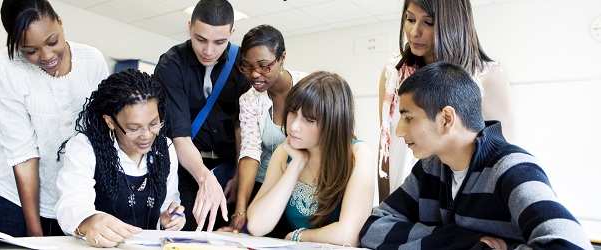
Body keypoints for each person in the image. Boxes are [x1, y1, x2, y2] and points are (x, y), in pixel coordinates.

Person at [360, 62, 592, 250]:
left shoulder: (514, 169)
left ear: (446, 119)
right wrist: (462, 241)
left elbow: (571, 244)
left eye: (408, 117)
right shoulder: (429, 169)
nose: (399, 131)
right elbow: (373, 227)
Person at [0, 0, 109, 237]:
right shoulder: (6, 68)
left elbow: (101, 133)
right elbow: (23, 156)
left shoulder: (92, 61)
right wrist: (35, 235)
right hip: (15, 192)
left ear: (60, 22)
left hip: (71, 188)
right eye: (30, 50)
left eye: (52, 41)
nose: (47, 56)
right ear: (14, 44)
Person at [377, 0, 514, 199]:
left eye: (428, 22)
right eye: (410, 19)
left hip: (459, 206)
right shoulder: (394, 74)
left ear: (452, 24)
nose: (415, 31)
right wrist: (385, 206)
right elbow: (386, 144)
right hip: (402, 200)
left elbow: (498, 162)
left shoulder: (487, 78)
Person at [55, 69, 185, 248]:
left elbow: (170, 202)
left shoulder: (166, 148)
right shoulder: (85, 147)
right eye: (134, 128)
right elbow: (71, 206)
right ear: (110, 121)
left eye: (154, 124)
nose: (147, 136)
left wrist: (170, 218)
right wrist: (91, 222)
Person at [246, 71, 375, 246]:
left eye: (308, 120)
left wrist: (297, 236)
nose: (294, 126)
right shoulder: (285, 153)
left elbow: (348, 236)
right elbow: (257, 225)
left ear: (334, 122)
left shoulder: (358, 154)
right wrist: (295, 166)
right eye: (292, 112)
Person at [153, 0, 250, 232]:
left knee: (228, 237)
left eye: (219, 42)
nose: (209, 51)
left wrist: (239, 175)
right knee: (187, 234)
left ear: (232, 33)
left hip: (229, 168)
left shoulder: (241, 64)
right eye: (200, 39)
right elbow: (180, 136)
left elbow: (243, 126)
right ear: (190, 27)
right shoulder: (171, 65)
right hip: (186, 167)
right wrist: (205, 179)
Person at [217, 24, 308, 236]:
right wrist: (240, 209)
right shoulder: (249, 100)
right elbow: (250, 152)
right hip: (264, 186)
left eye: (264, 66)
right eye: (246, 67)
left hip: (303, 188)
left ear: (282, 57)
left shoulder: (309, 87)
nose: (254, 74)